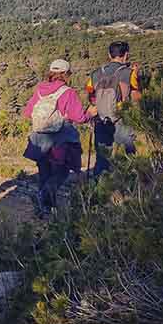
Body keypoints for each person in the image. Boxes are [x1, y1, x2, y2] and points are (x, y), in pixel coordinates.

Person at [22, 59, 96, 218]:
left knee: (44, 173)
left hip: (39, 139)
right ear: (65, 74)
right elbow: (80, 117)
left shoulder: (40, 90)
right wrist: (91, 112)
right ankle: (46, 198)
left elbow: (27, 113)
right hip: (60, 140)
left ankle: (45, 209)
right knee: (61, 172)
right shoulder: (68, 92)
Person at [86, 41, 141, 175]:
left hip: (101, 120)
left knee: (102, 158)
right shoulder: (129, 73)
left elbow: (90, 96)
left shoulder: (95, 74)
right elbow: (136, 97)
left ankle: (99, 188)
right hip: (122, 119)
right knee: (129, 155)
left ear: (109, 54)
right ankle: (130, 187)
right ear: (126, 55)